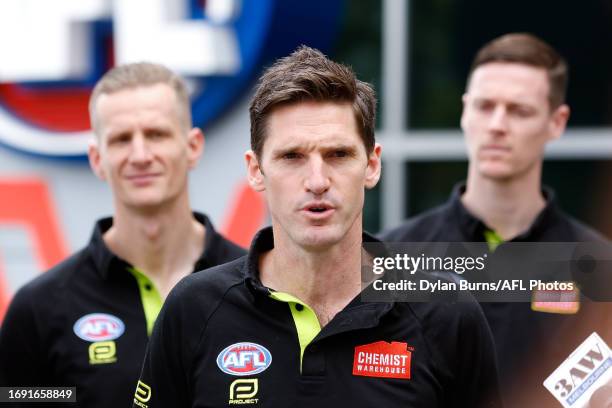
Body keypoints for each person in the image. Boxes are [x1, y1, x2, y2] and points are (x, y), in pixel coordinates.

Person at [133, 46, 501, 408]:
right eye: (292, 156)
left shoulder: (444, 311)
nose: (317, 180)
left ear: (372, 165)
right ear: (255, 170)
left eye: (338, 155)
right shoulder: (194, 309)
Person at [381, 33, 612, 406]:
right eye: (485, 106)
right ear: (464, 111)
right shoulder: (392, 256)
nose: (497, 125)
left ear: (557, 121)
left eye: (519, 110)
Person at [0, 62, 246, 407]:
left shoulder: (261, 287)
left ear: (192, 147)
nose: (141, 155)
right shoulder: (39, 308)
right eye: (121, 139)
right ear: (97, 158)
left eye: (157, 134)